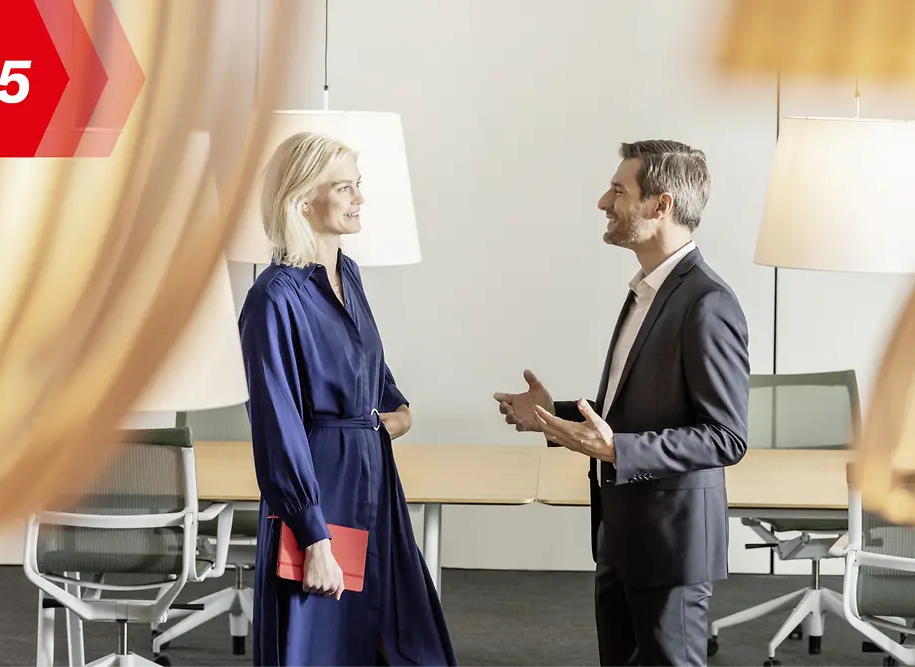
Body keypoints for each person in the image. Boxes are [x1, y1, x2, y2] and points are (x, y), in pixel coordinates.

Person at [493, 140, 750, 667]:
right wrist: (553, 415)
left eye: (618, 190)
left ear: (662, 205)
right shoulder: (645, 292)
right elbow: (633, 412)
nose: (602, 203)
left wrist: (617, 451)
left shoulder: (707, 303)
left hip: (670, 545)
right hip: (620, 534)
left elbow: (726, 436)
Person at [239, 131, 459, 667]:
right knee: (324, 641)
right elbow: (278, 426)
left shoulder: (349, 274)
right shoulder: (273, 297)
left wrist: (396, 410)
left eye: (358, 186)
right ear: (302, 199)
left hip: (374, 480)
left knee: (402, 637)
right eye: (345, 187)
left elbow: (371, 367)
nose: (360, 198)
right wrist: (313, 538)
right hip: (322, 489)